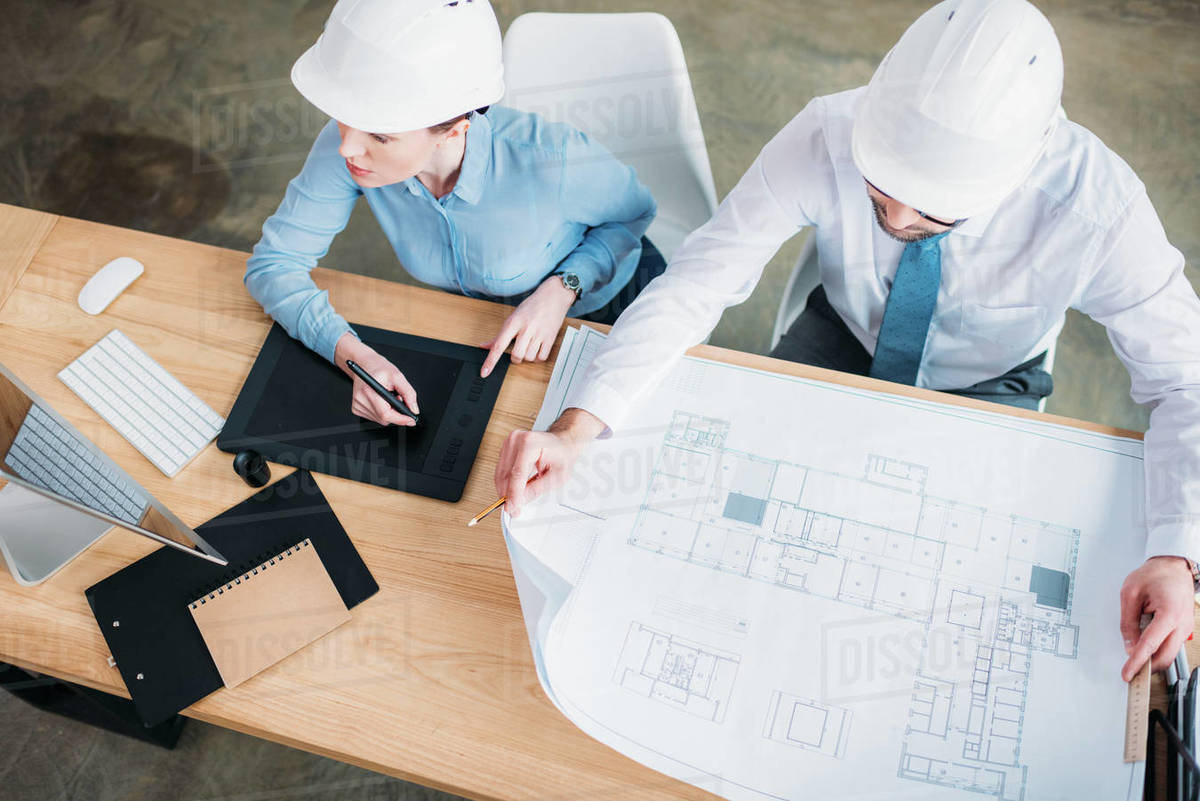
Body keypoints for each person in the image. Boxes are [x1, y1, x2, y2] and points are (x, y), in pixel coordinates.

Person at [493, 0, 1200, 681]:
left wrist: (1177, 553)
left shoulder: (1099, 209)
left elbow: (1186, 380)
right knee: (731, 526)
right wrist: (578, 426)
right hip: (843, 338)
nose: (892, 215)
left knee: (950, 597)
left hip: (989, 383)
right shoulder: (829, 130)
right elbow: (698, 282)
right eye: (877, 189)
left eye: (927, 215)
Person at [245, 0, 659, 428]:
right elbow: (274, 265)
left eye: (380, 136)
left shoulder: (553, 158)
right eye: (343, 119)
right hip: (481, 325)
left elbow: (635, 213)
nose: (348, 146)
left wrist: (563, 288)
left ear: (454, 131)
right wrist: (353, 356)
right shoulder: (348, 146)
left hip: (609, 310)